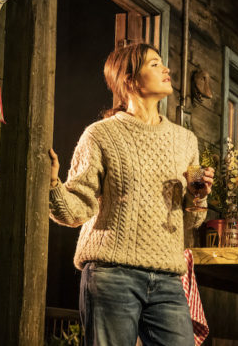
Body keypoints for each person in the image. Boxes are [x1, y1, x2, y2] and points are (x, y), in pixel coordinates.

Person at [48, 43, 214, 346]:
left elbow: (191, 223)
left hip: (167, 278)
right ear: (129, 80)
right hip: (112, 275)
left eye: (163, 63)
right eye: (154, 64)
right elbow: (76, 210)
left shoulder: (185, 141)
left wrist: (199, 195)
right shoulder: (101, 134)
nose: (166, 69)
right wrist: (52, 185)